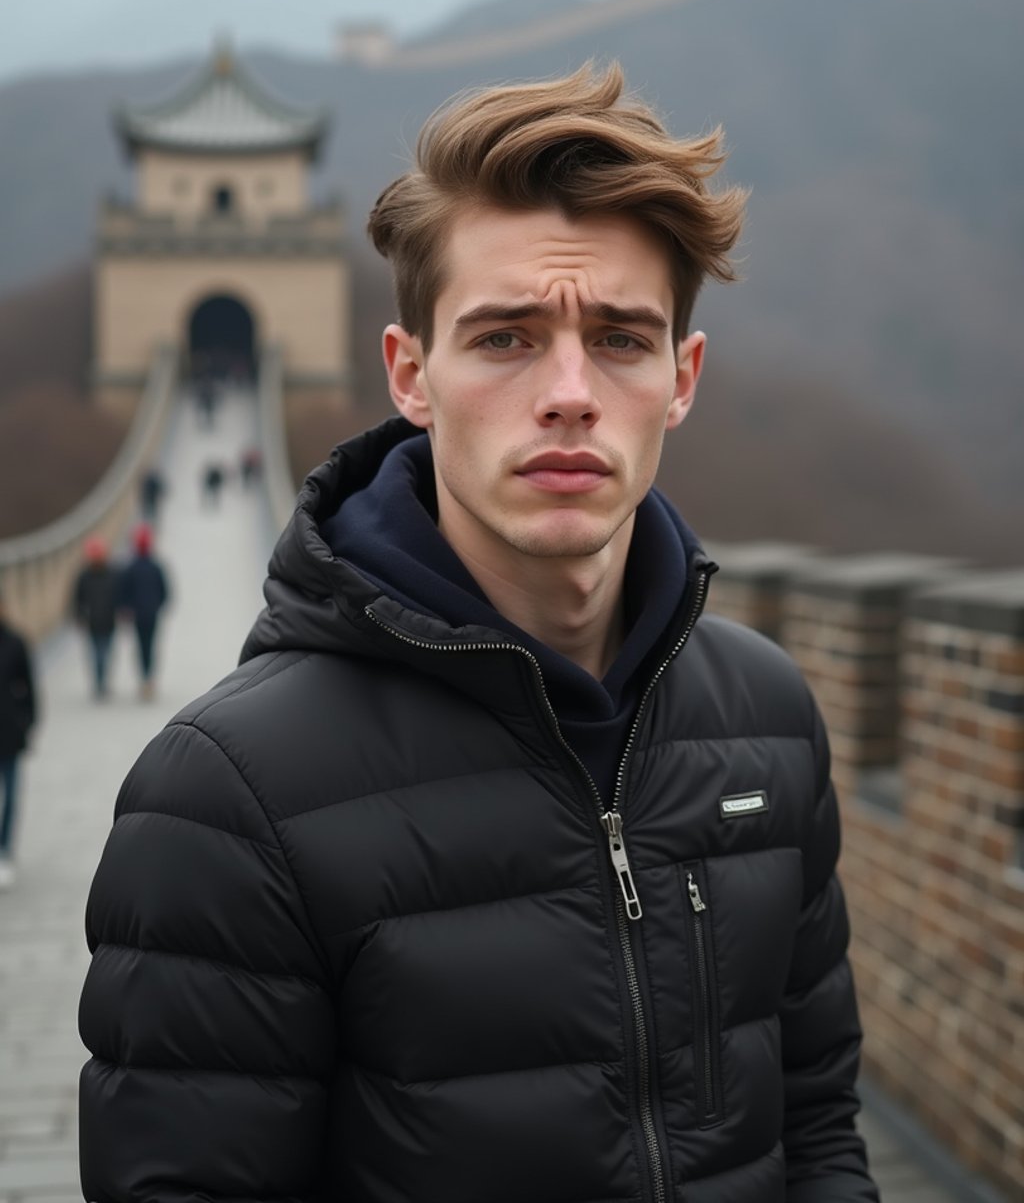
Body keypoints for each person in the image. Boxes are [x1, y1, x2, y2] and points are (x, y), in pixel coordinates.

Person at [79, 65, 879, 1201]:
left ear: (681, 378)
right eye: (505, 339)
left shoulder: (768, 722)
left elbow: (816, 1128)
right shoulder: (226, 797)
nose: (567, 392)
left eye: (619, 338)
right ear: (411, 373)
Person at [0, 587, 37, 890]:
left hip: (9, 733)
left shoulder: (15, 643)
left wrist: (29, 723)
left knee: (10, 796)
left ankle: (4, 850)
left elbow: (29, 687)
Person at [118, 524, 170, 701]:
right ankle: (149, 679)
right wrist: (159, 605)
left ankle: (144, 679)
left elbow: (123, 592)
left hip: (137, 615)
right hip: (152, 614)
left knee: (141, 646)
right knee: (150, 645)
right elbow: (165, 591)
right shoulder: (156, 567)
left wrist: (126, 608)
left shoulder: (130, 568)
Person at [71, 536, 120, 700]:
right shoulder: (84, 576)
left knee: (105, 653)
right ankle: (99, 683)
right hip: (92, 621)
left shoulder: (112, 574)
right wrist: (78, 616)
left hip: (109, 620)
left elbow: (118, 596)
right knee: (96, 654)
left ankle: (102, 682)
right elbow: (77, 598)